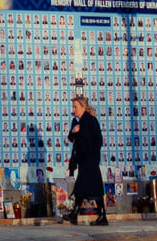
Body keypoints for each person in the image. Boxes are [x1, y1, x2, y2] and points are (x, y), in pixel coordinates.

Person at [65, 95, 108, 226]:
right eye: (73, 106)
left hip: (91, 160)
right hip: (82, 160)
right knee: (83, 186)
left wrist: (94, 158)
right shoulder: (76, 122)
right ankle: (79, 214)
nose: (74, 109)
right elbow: (71, 138)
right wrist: (74, 130)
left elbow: (98, 140)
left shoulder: (91, 120)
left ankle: (99, 216)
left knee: (87, 187)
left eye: (75, 106)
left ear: (83, 107)